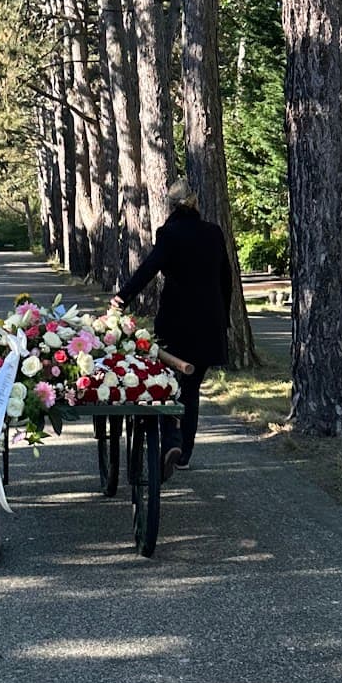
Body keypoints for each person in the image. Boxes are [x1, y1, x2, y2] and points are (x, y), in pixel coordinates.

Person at [111, 179, 233, 482]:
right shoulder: (213, 233)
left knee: (167, 385)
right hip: (209, 323)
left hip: (176, 323)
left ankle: (171, 442)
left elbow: (148, 269)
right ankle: (184, 455)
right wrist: (224, 319)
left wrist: (122, 297)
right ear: (195, 203)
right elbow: (226, 279)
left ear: (171, 205)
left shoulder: (170, 234)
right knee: (191, 390)